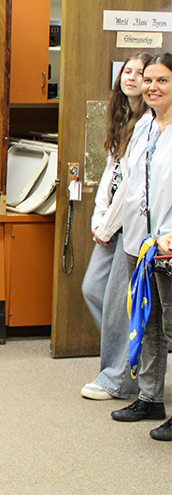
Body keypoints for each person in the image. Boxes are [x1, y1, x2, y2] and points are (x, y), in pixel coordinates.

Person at [79, 53, 151, 400]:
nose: (133, 78)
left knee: (122, 303)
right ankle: (129, 356)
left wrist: (108, 225)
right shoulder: (121, 117)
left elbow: (133, 186)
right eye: (128, 72)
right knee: (94, 290)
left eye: (141, 73)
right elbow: (112, 176)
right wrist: (98, 217)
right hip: (110, 224)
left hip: (130, 226)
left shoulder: (150, 124)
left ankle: (120, 378)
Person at [110, 52, 172, 442]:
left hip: (169, 245)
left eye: (162, 80)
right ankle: (150, 398)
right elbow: (130, 182)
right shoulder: (144, 125)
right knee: (147, 323)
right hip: (139, 242)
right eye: (148, 80)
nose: (151, 87)